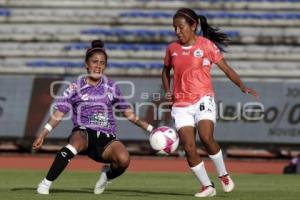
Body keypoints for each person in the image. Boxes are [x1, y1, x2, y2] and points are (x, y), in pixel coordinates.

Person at [32, 40, 154, 195]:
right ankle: (45, 183)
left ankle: (106, 174)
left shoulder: (111, 86)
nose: (98, 66)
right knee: (74, 144)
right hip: (83, 132)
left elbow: (129, 113)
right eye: (94, 62)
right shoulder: (75, 87)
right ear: (86, 64)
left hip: (106, 137)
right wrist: (43, 134)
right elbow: (59, 113)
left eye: (102, 63)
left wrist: (151, 129)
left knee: (124, 159)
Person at [162, 8, 258, 197]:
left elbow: (226, 68)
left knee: (206, 137)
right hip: (181, 104)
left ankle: (223, 175)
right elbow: (165, 71)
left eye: (181, 27)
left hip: (202, 98)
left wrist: (242, 86)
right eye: (175, 28)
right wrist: (167, 91)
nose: (177, 31)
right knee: (189, 147)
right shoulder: (172, 49)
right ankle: (207, 186)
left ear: (193, 26)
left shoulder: (206, 45)